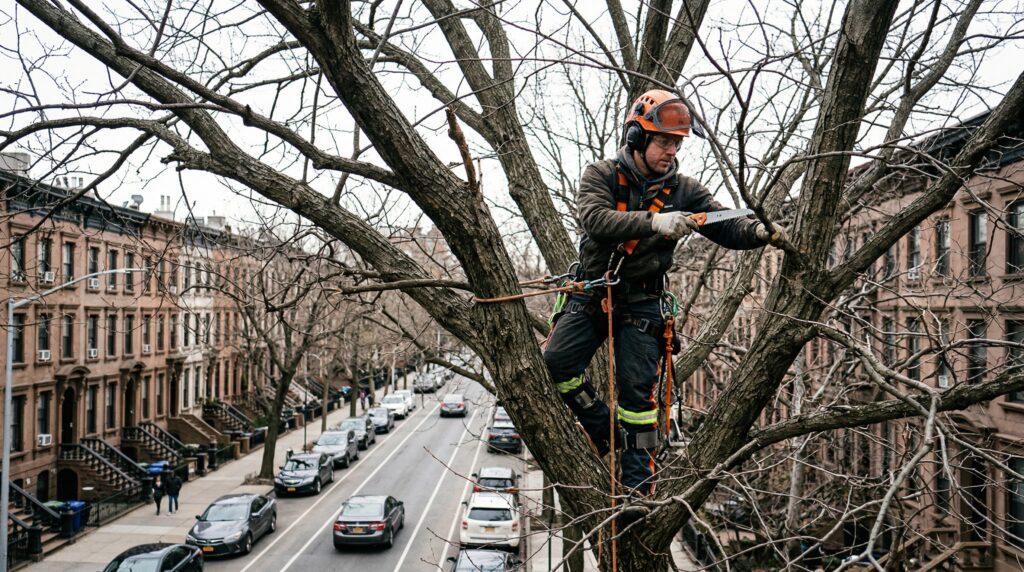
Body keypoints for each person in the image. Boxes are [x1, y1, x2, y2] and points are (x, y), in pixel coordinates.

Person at [543, 89, 787, 498]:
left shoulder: (685, 190)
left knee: (638, 400)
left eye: (677, 143)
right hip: (593, 292)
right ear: (637, 138)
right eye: (664, 142)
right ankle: (603, 429)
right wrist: (655, 223)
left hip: (642, 301)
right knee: (555, 365)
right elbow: (596, 219)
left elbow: (722, 223)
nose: (671, 151)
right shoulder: (600, 176)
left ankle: (638, 490)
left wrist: (758, 231)